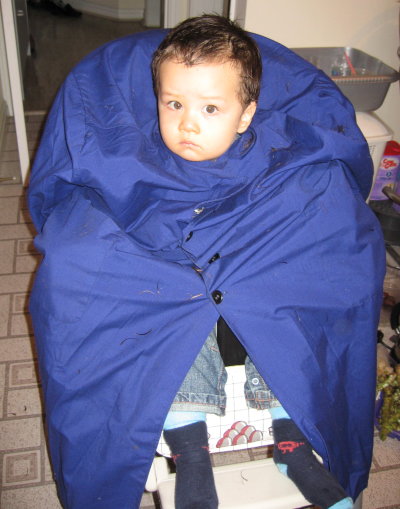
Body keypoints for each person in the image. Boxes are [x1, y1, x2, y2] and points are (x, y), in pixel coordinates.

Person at [27, 13, 385, 509]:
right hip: (169, 309)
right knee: (154, 301)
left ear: (246, 115)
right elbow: (75, 230)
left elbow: (335, 237)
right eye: (173, 103)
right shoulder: (127, 160)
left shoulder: (282, 161)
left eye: (211, 108)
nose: (187, 123)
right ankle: (189, 450)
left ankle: (293, 438)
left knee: (290, 288)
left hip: (259, 299)